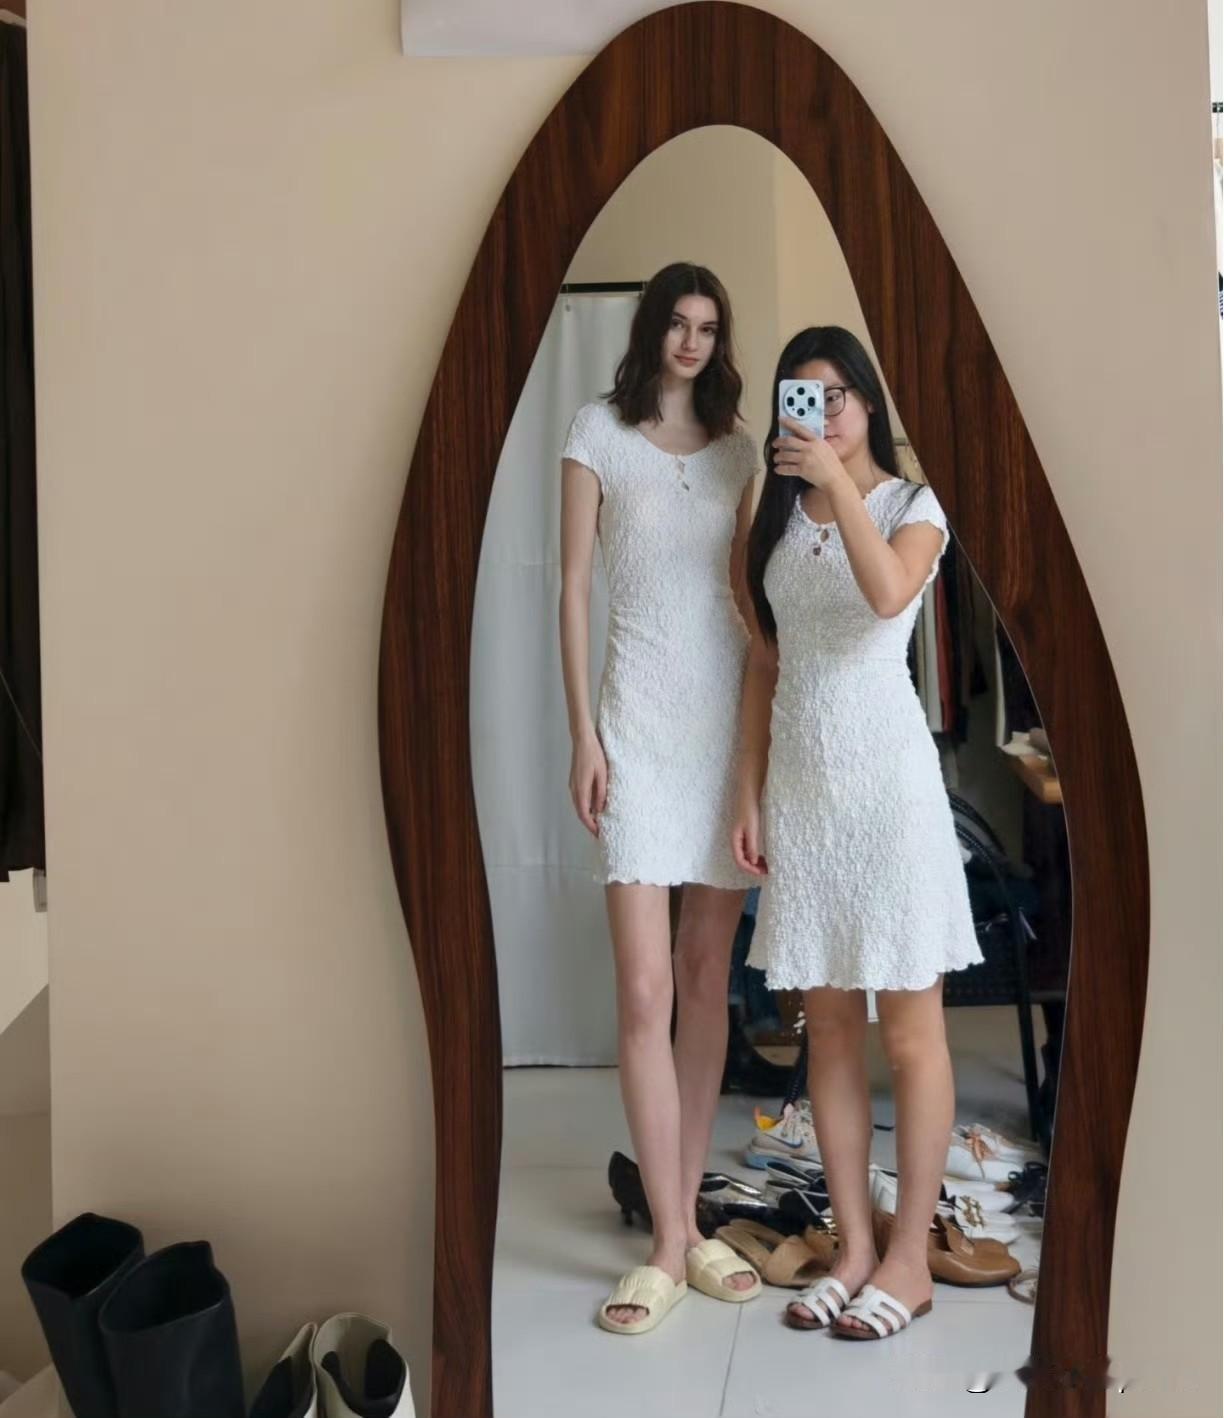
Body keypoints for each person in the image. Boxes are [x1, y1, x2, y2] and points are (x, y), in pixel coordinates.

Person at [733, 325, 985, 1341]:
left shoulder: (914, 506)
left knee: (913, 1033)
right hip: (804, 793)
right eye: (801, 397)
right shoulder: (775, 514)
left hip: (888, 791)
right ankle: (853, 1248)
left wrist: (837, 479)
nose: (819, 414)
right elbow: (765, 662)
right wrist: (747, 794)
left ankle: (911, 1257)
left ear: (868, 401)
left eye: (833, 395)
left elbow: (886, 595)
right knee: (827, 1029)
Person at [559, 262, 763, 1334]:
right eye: (678, 323)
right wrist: (583, 734)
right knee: (644, 990)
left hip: (722, 728)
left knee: (703, 980)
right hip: (635, 728)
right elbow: (572, 588)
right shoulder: (596, 432)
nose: (691, 340)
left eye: (708, 327)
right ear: (652, 329)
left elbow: (749, 597)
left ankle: (681, 1225)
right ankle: (671, 1240)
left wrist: (761, 756)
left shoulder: (738, 451)